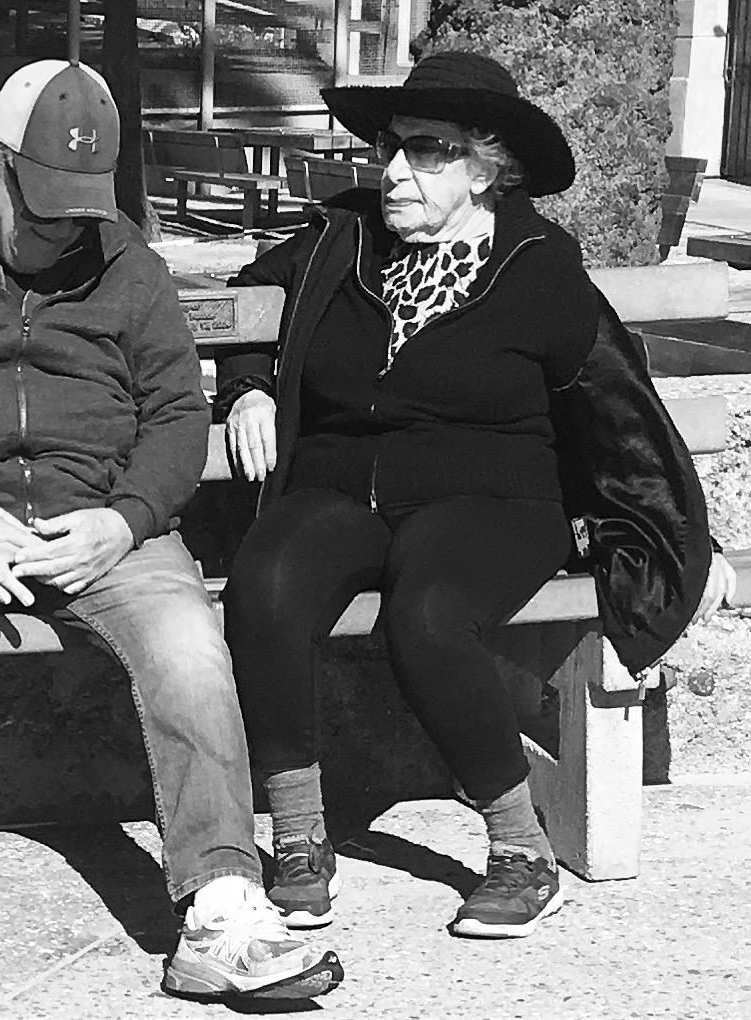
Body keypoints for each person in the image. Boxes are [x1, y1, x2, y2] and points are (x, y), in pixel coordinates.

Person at [0, 59, 343, 1001]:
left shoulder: (123, 257)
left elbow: (177, 414)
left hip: (98, 516)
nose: (65, 231)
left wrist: (125, 521)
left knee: (188, 637)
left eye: (82, 207)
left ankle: (220, 903)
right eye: (44, 207)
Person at [216, 50, 737, 939]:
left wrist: (676, 533)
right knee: (264, 585)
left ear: (486, 169)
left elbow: (615, 404)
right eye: (390, 147)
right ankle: (299, 838)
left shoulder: (537, 265)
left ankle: (521, 850)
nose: (394, 171)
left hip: (494, 498)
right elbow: (249, 294)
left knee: (429, 612)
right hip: (341, 487)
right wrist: (249, 387)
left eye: (425, 151)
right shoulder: (343, 238)